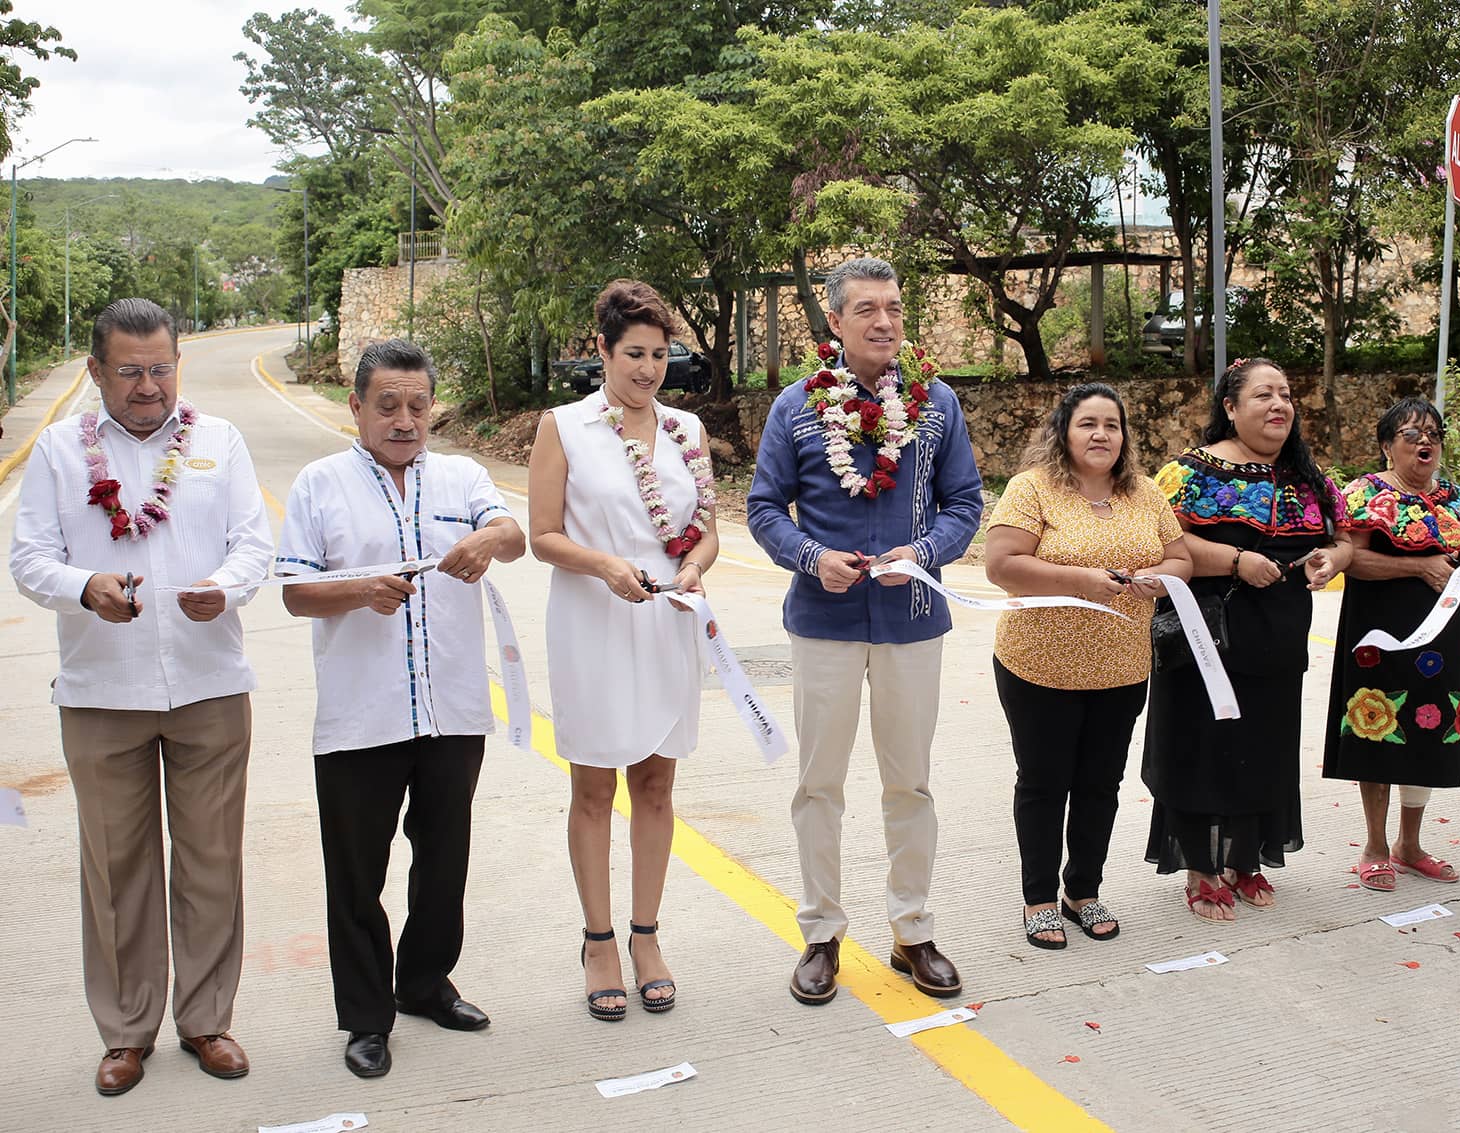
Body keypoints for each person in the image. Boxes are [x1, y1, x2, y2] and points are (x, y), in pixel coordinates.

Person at [9, 298, 272, 1095]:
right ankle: (126, 1032)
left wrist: (223, 589)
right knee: (116, 867)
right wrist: (84, 586)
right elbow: (28, 559)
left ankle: (207, 1020)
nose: (149, 386)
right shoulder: (59, 452)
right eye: (130, 371)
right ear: (95, 371)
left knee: (211, 861)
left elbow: (254, 544)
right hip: (100, 691)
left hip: (209, 685)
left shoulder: (219, 441)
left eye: (162, 367)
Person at [276, 338, 525, 1078]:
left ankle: (423, 984)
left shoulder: (461, 475)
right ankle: (364, 1017)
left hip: (452, 710)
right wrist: (359, 589)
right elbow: (293, 589)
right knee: (357, 874)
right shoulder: (320, 484)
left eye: (418, 404)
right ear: (356, 405)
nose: (405, 419)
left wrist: (487, 538)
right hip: (362, 717)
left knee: (443, 861)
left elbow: (511, 534)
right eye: (387, 404)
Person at [747, 256, 983, 1005]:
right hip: (824, 620)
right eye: (869, 309)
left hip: (913, 619)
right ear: (836, 322)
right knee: (819, 783)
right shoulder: (796, 407)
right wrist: (813, 558)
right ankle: (821, 932)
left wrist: (925, 552)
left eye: (895, 308)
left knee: (908, 782)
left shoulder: (937, 403)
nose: (885, 321)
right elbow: (762, 509)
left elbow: (965, 503)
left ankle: (912, 929)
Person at [528, 280, 719, 1022]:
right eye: (633, 353)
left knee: (657, 786)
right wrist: (606, 565)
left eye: (659, 354)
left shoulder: (686, 431)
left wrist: (697, 566)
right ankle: (598, 939)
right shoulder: (565, 428)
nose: (647, 369)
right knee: (592, 789)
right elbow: (544, 534)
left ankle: (646, 935)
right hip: (593, 622)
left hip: (666, 621)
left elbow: (705, 528)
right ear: (600, 351)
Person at [1141, 358, 1350, 921]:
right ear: (1230, 408)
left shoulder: (1308, 476)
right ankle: (1200, 869)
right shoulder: (1189, 472)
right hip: (1205, 637)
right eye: (1263, 395)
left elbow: (1344, 537)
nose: (1279, 404)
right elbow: (1164, 540)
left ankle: (1246, 858)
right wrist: (1236, 559)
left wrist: (1333, 557)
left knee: (1264, 745)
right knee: (1201, 746)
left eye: (1285, 394)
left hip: (1277, 639)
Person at [985, 383, 1190, 948]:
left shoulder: (1145, 493)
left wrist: (1163, 577)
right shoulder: (1032, 490)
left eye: (1112, 425)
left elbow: (1181, 556)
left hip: (1122, 668)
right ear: (1063, 432)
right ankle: (1040, 899)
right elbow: (1001, 566)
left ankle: (1084, 889)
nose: (1101, 435)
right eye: (1088, 424)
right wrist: (1081, 581)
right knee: (1045, 783)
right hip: (1039, 665)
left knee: (1101, 784)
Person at [1324, 397, 1460, 893]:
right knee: (1378, 728)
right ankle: (1375, 846)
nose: (1425, 442)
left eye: (1433, 434)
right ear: (1386, 447)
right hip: (1379, 638)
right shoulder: (1366, 494)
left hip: (1444, 638)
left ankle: (1410, 845)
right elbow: (1352, 560)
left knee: (1428, 730)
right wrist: (1417, 566)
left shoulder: (1455, 497)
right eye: (1411, 434)